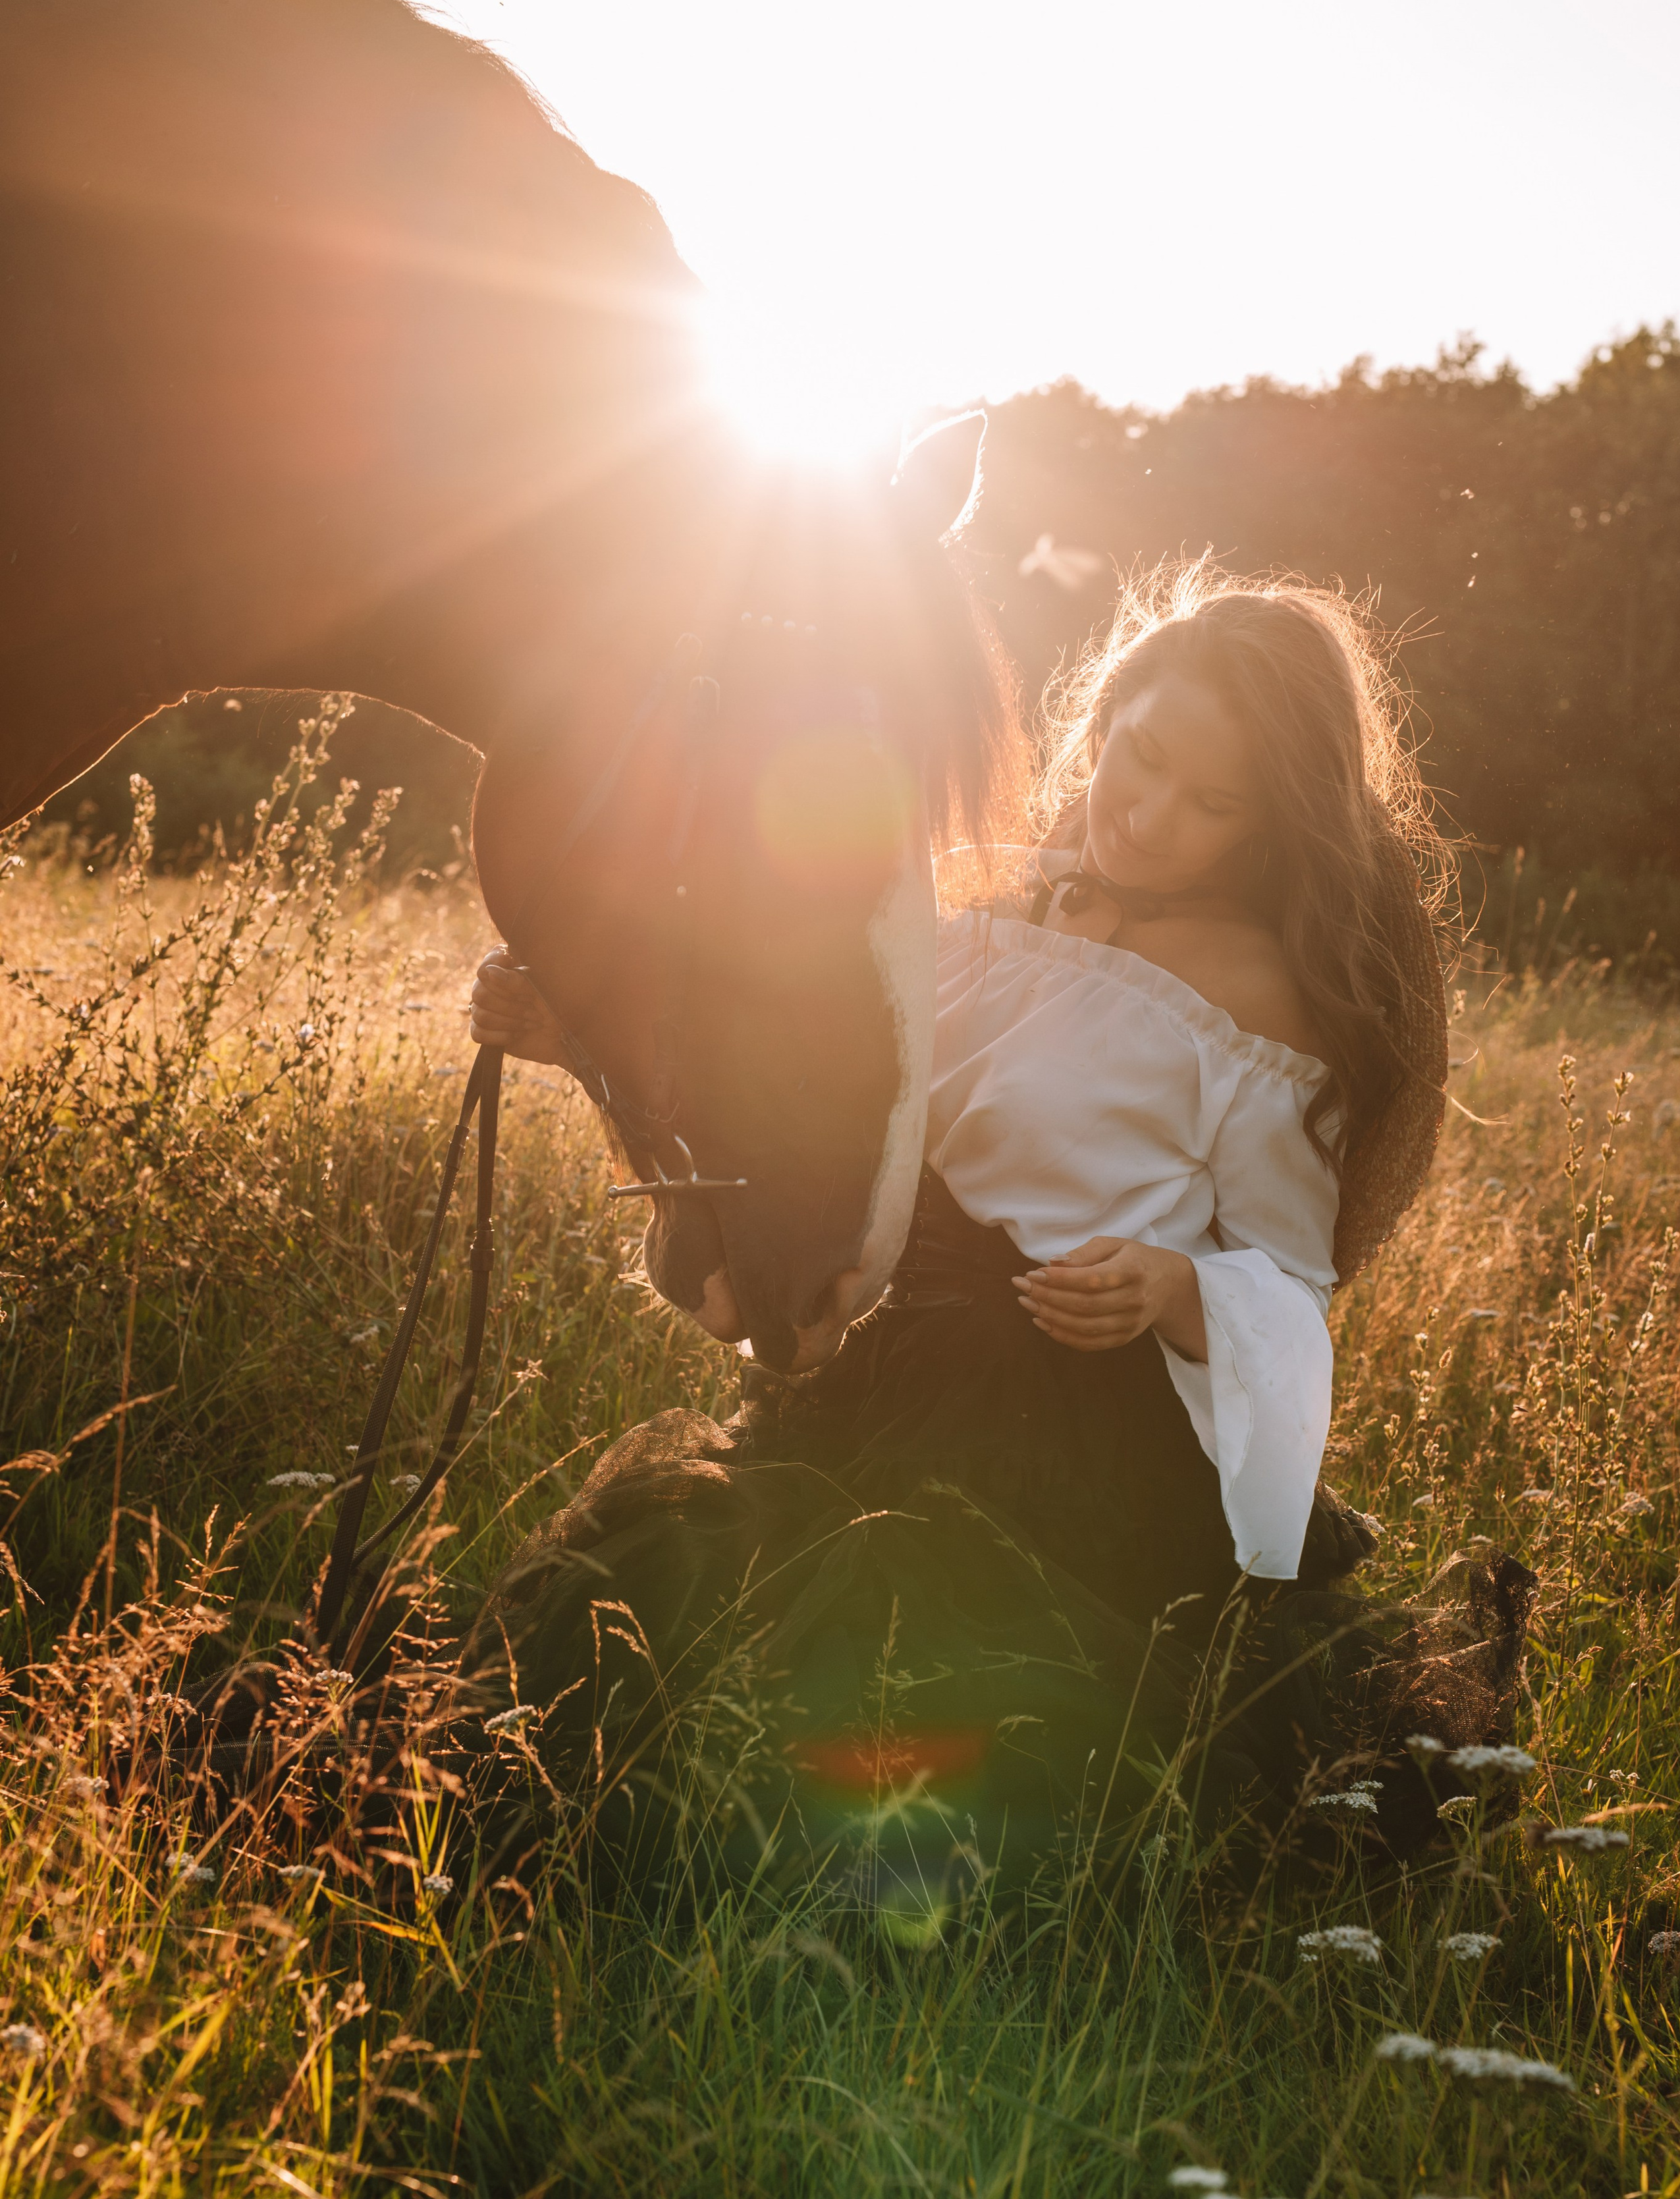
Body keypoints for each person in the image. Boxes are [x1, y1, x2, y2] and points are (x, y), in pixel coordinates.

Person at [464, 562, 1491, 1904]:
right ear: (1106, 713)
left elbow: (1290, 1282)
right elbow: (815, 1119)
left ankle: (879, 1899)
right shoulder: (976, 914)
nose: (1153, 813)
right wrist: (581, 1041)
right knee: (707, 1610)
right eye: (1145, 757)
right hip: (892, 1371)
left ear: (1265, 824)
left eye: (1212, 803)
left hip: (1071, 1421)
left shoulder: (1261, 1003)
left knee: (968, 1666)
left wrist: (1171, 1287)